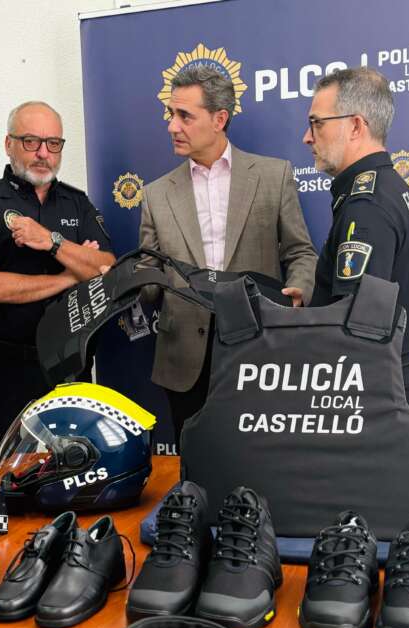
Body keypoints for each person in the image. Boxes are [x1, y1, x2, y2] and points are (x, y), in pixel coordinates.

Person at [139, 65, 317, 445]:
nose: (172, 126)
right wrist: (127, 280)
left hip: (259, 349)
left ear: (219, 119)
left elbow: (301, 251)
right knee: (196, 463)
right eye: (171, 114)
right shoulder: (156, 194)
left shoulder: (273, 176)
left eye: (184, 115)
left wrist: (299, 291)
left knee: (260, 461)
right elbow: (149, 279)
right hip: (185, 361)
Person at [0, 101, 115, 464]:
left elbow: (107, 266)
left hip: (70, 363)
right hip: (7, 365)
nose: (43, 153)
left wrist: (52, 242)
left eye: (53, 143)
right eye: (31, 141)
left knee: (77, 465)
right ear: (8, 144)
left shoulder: (76, 203)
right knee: (7, 469)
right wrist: (70, 274)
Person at [304, 67, 409, 415]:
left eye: (317, 124)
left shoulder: (367, 205)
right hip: (393, 380)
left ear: (355, 126)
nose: (307, 137)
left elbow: (356, 325)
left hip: (372, 390)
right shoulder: (392, 188)